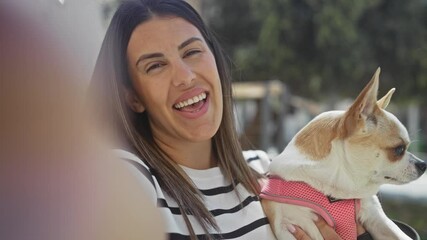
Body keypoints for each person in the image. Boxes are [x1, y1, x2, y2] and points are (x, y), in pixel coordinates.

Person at [89, 0, 371, 239]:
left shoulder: (270, 172)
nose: (185, 76)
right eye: (156, 65)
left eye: (192, 52)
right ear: (132, 97)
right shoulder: (126, 180)